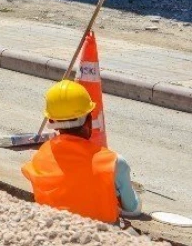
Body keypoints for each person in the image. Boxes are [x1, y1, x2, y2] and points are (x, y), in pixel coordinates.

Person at [22, 80, 141, 222]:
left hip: (50, 229)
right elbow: (133, 210)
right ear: (89, 120)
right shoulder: (114, 162)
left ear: (52, 121)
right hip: (99, 235)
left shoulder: (39, 157)